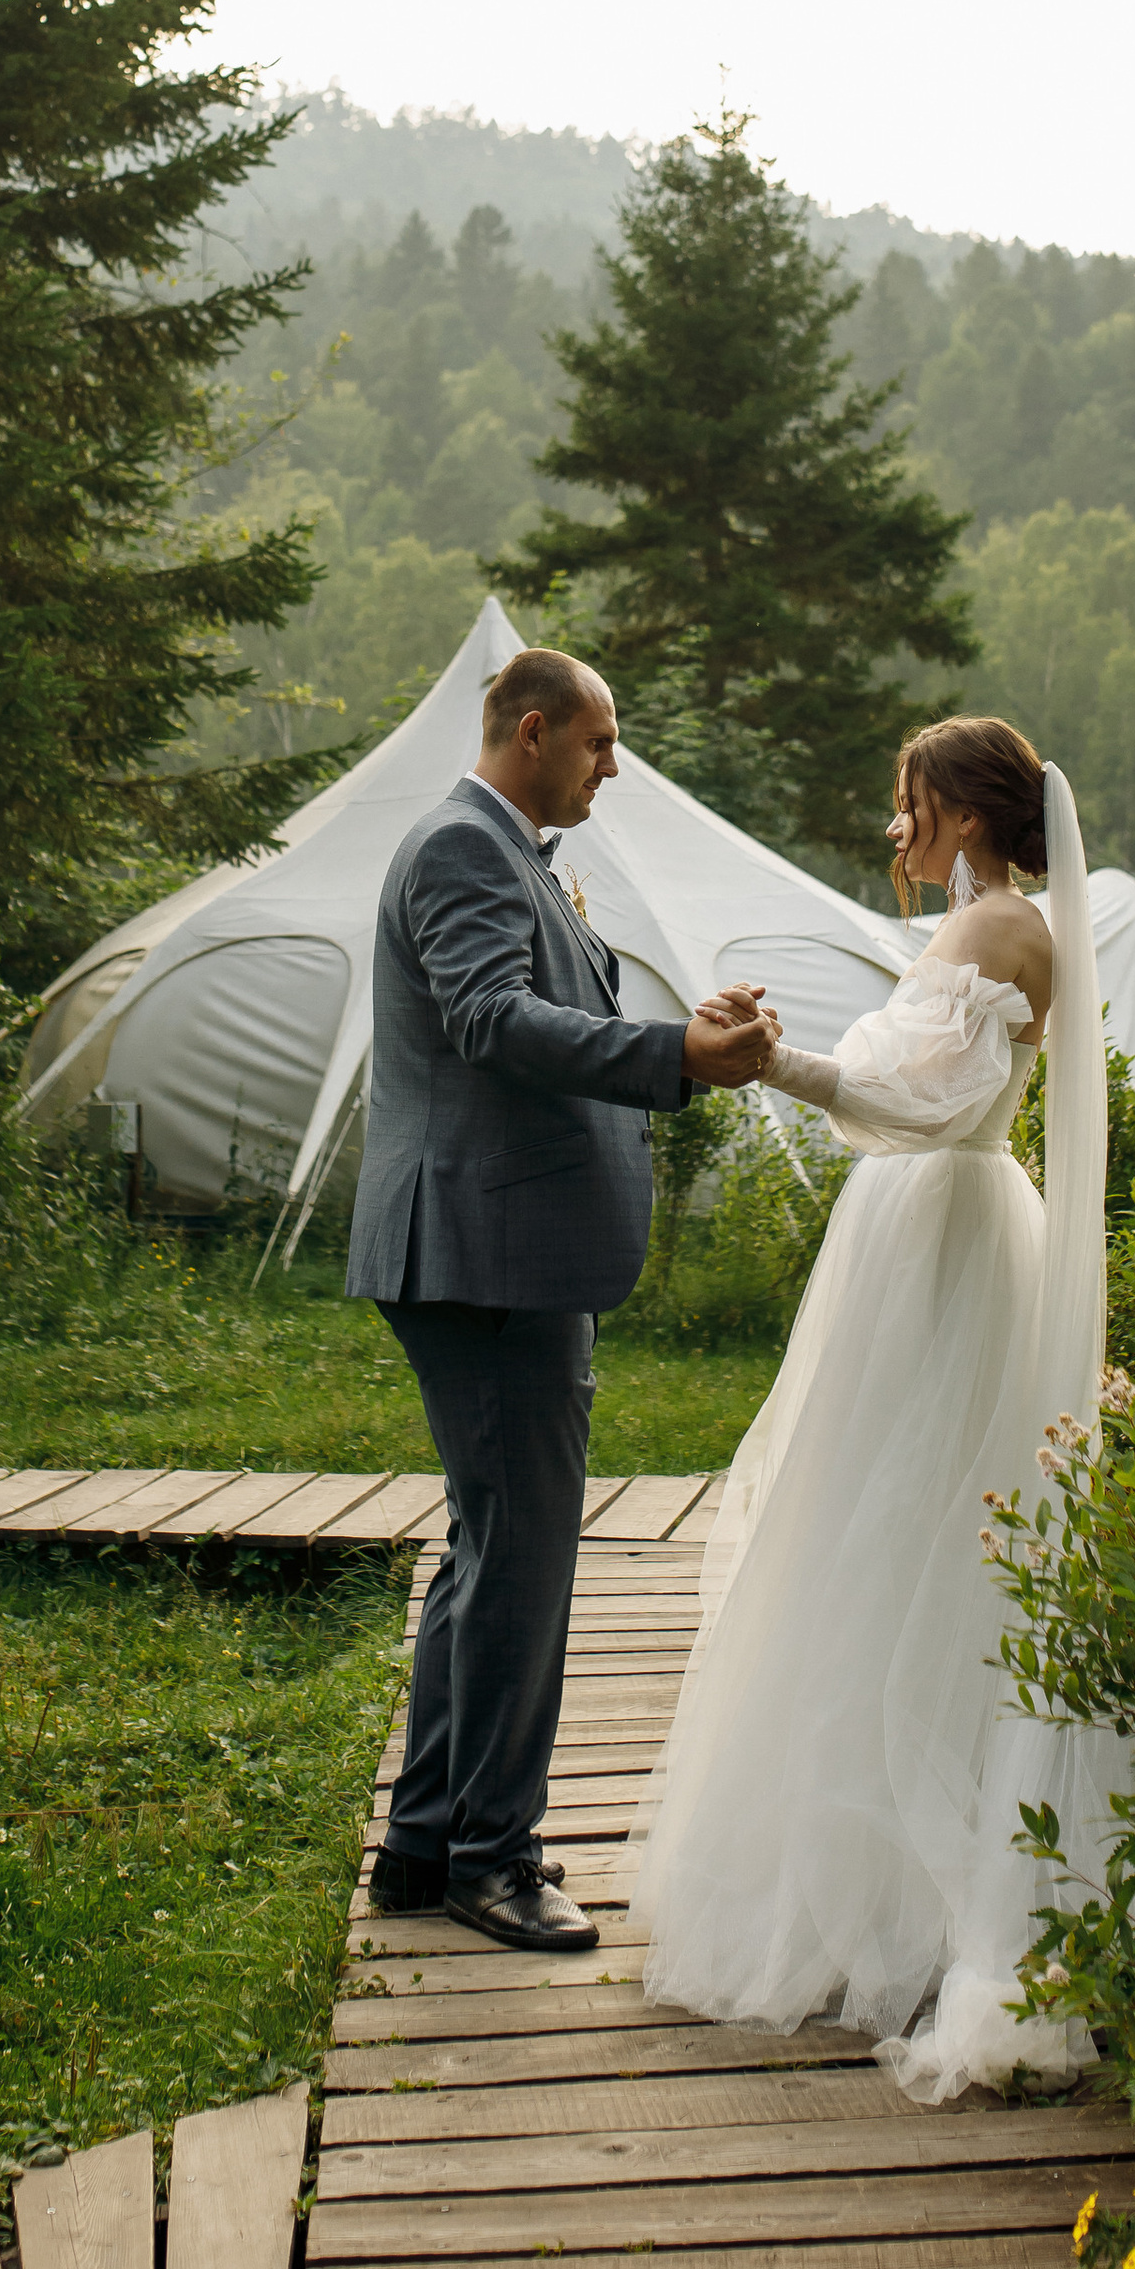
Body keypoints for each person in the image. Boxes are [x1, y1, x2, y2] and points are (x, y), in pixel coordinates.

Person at [628, 713, 1131, 2099]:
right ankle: (879, 1892)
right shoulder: (982, 930)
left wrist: (769, 1063)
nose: (892, 828)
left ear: (964, 814)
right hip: (932, 1233)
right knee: (880, 1537)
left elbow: (919, 1107)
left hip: (944, 1244)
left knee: (904, 1543)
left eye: (905, 803)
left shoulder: (997, 937)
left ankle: (917, 1910)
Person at [348, 646, 777, 1955]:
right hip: (485, 1256)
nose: (613, 763)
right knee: (523, 1559)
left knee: (492, 1550)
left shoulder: (511, 851)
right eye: (598, 741)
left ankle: (424, 1846)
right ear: (530, 732)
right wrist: (676, 1060)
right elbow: (491, 1019)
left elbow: (541, 1004)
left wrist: (681, 1030)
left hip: (499, 1249)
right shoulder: (461, 851)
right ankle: (495, 1857)